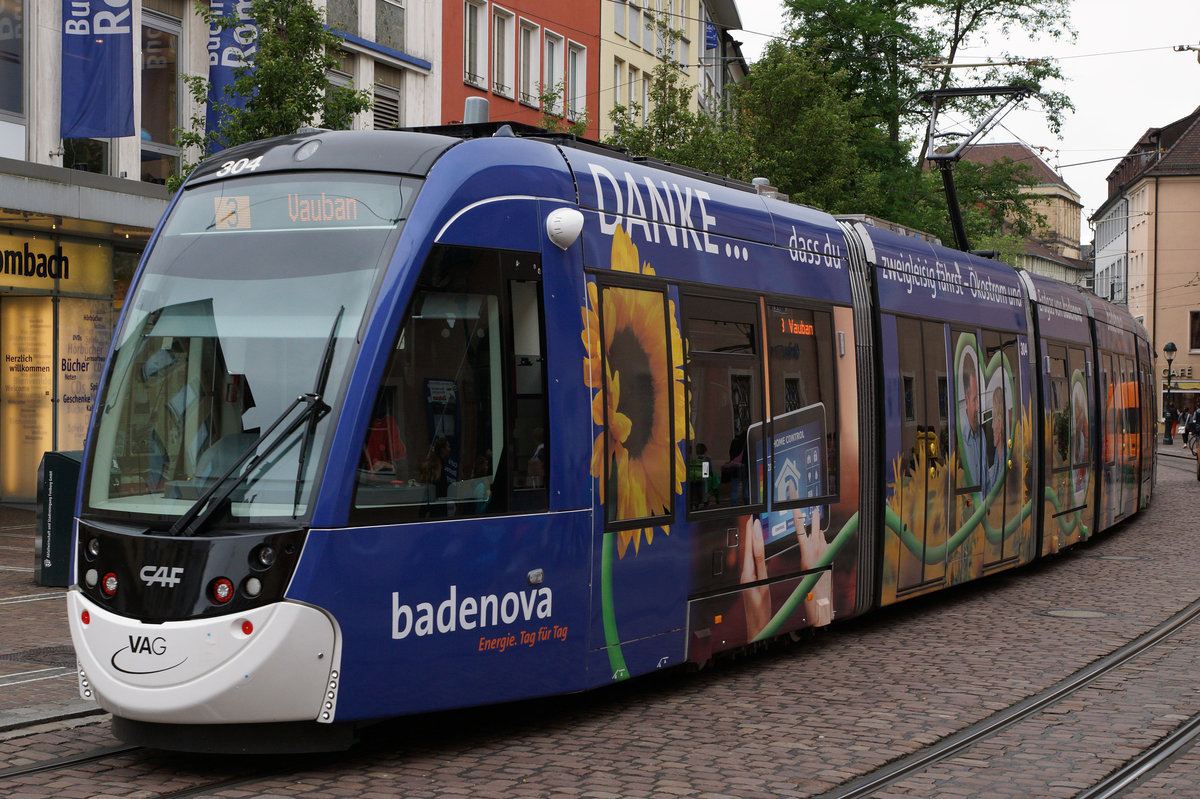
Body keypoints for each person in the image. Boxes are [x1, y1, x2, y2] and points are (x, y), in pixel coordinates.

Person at [959, 350, 984, 487]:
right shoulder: (959, 439)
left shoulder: (981, 435)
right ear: (967, 400)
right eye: (975, 400)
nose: (978, 408)